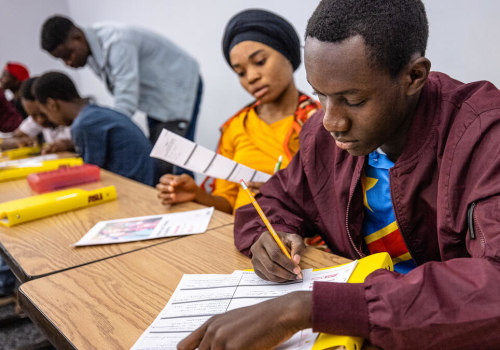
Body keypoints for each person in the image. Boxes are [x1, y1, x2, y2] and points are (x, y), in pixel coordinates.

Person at [178, 1, 500, 349]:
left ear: (414, 76)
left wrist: (308, 308)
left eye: (353, 99)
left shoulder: (483, 135)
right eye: (320, 95)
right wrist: (272, 234)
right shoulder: (322, 136)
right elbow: (275, 197)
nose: (331, 121)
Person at [156, 9, 320, 215]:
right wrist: (197, 195)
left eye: (260, 62)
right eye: (240, 72)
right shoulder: (235, 126)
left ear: (288, 54)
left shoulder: (321, 123)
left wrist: (288, 194)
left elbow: (336, 203)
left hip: (296, 241)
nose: (251, 77)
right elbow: (228, 203)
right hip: (236, 237)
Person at [39, 16, 202, 147]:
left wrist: (106, 130)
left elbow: (125, 97)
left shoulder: (117, 41)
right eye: (61, 60)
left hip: (180, 86)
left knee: (176, 159)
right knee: (160, 155)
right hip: (156, 97)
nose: (67, 63)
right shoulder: (90, 51)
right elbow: (120, 90)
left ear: (78, 37)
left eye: (68, 55)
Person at [33, 71, 155, 186]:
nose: (49, 119)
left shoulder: (83, 124)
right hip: (144, 179)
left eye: (45, 113)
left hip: (136, 186)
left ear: (52, 105)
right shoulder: (94, 112)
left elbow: (89, 173)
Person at [4, 77, 74, 153]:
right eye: (33, 116)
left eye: (43, 114)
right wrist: (20, 141)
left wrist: (70, 144)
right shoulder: (38, 119)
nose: (40, 120)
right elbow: (13, 137)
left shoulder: (74, 120)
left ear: (52, 104)